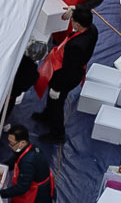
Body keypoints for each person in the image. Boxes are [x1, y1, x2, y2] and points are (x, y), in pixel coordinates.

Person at [16, 9, 95, 144]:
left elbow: (68, 70)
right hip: (68, 69)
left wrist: (57, 88)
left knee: (56, 104)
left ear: (78, 25)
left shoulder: (76, 46)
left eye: (73, 21)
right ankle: (47, 115)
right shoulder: (92, 29)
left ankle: (57, 134)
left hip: (66, 77)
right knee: (52, 102)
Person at [0, 122, 55, 203]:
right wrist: (0, 168)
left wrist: (0, 194)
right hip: (35, 187)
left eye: (12, 144)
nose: (10, 146)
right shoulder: (26, 149)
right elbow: (13, 160)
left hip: (37, 197)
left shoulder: (27, 162)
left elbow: (22, 188)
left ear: (22, 143)